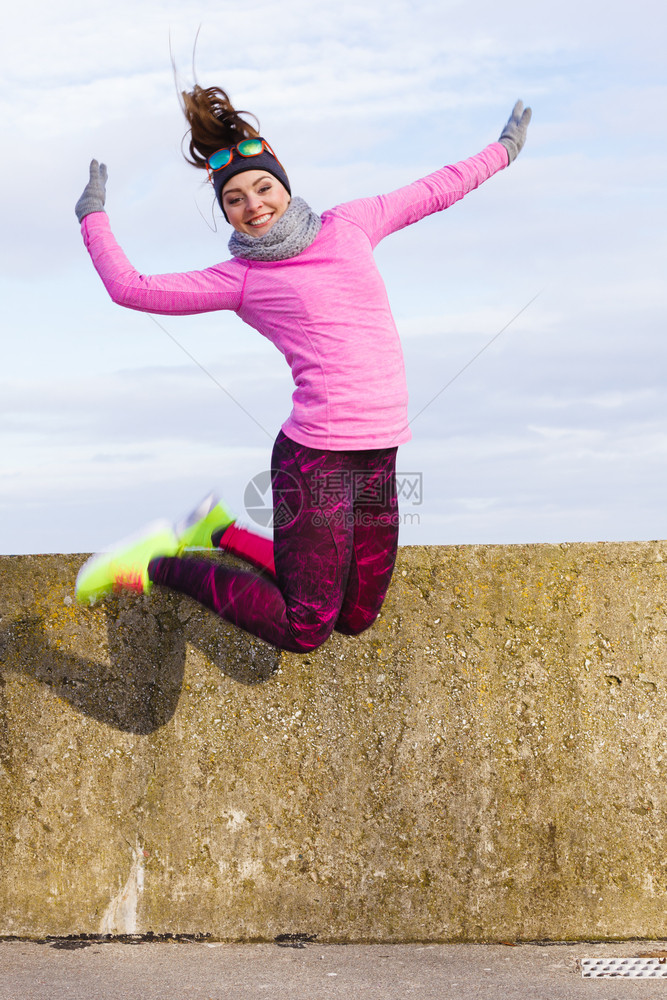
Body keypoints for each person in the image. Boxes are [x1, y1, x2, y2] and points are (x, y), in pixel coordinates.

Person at [74, 84, 531, 652]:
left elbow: (437, 188)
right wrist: (92, 215)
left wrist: (504, 150)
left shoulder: (353, 224)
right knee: (305, 626)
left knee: (356, 614)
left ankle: (216, 531)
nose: (254, 205)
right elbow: (131, 288)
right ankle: (158, 563)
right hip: (315, 458)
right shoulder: (240, 279)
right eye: (234, 199)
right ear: (225, 212)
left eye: (262, 187)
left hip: (380, 451)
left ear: (283, 182)